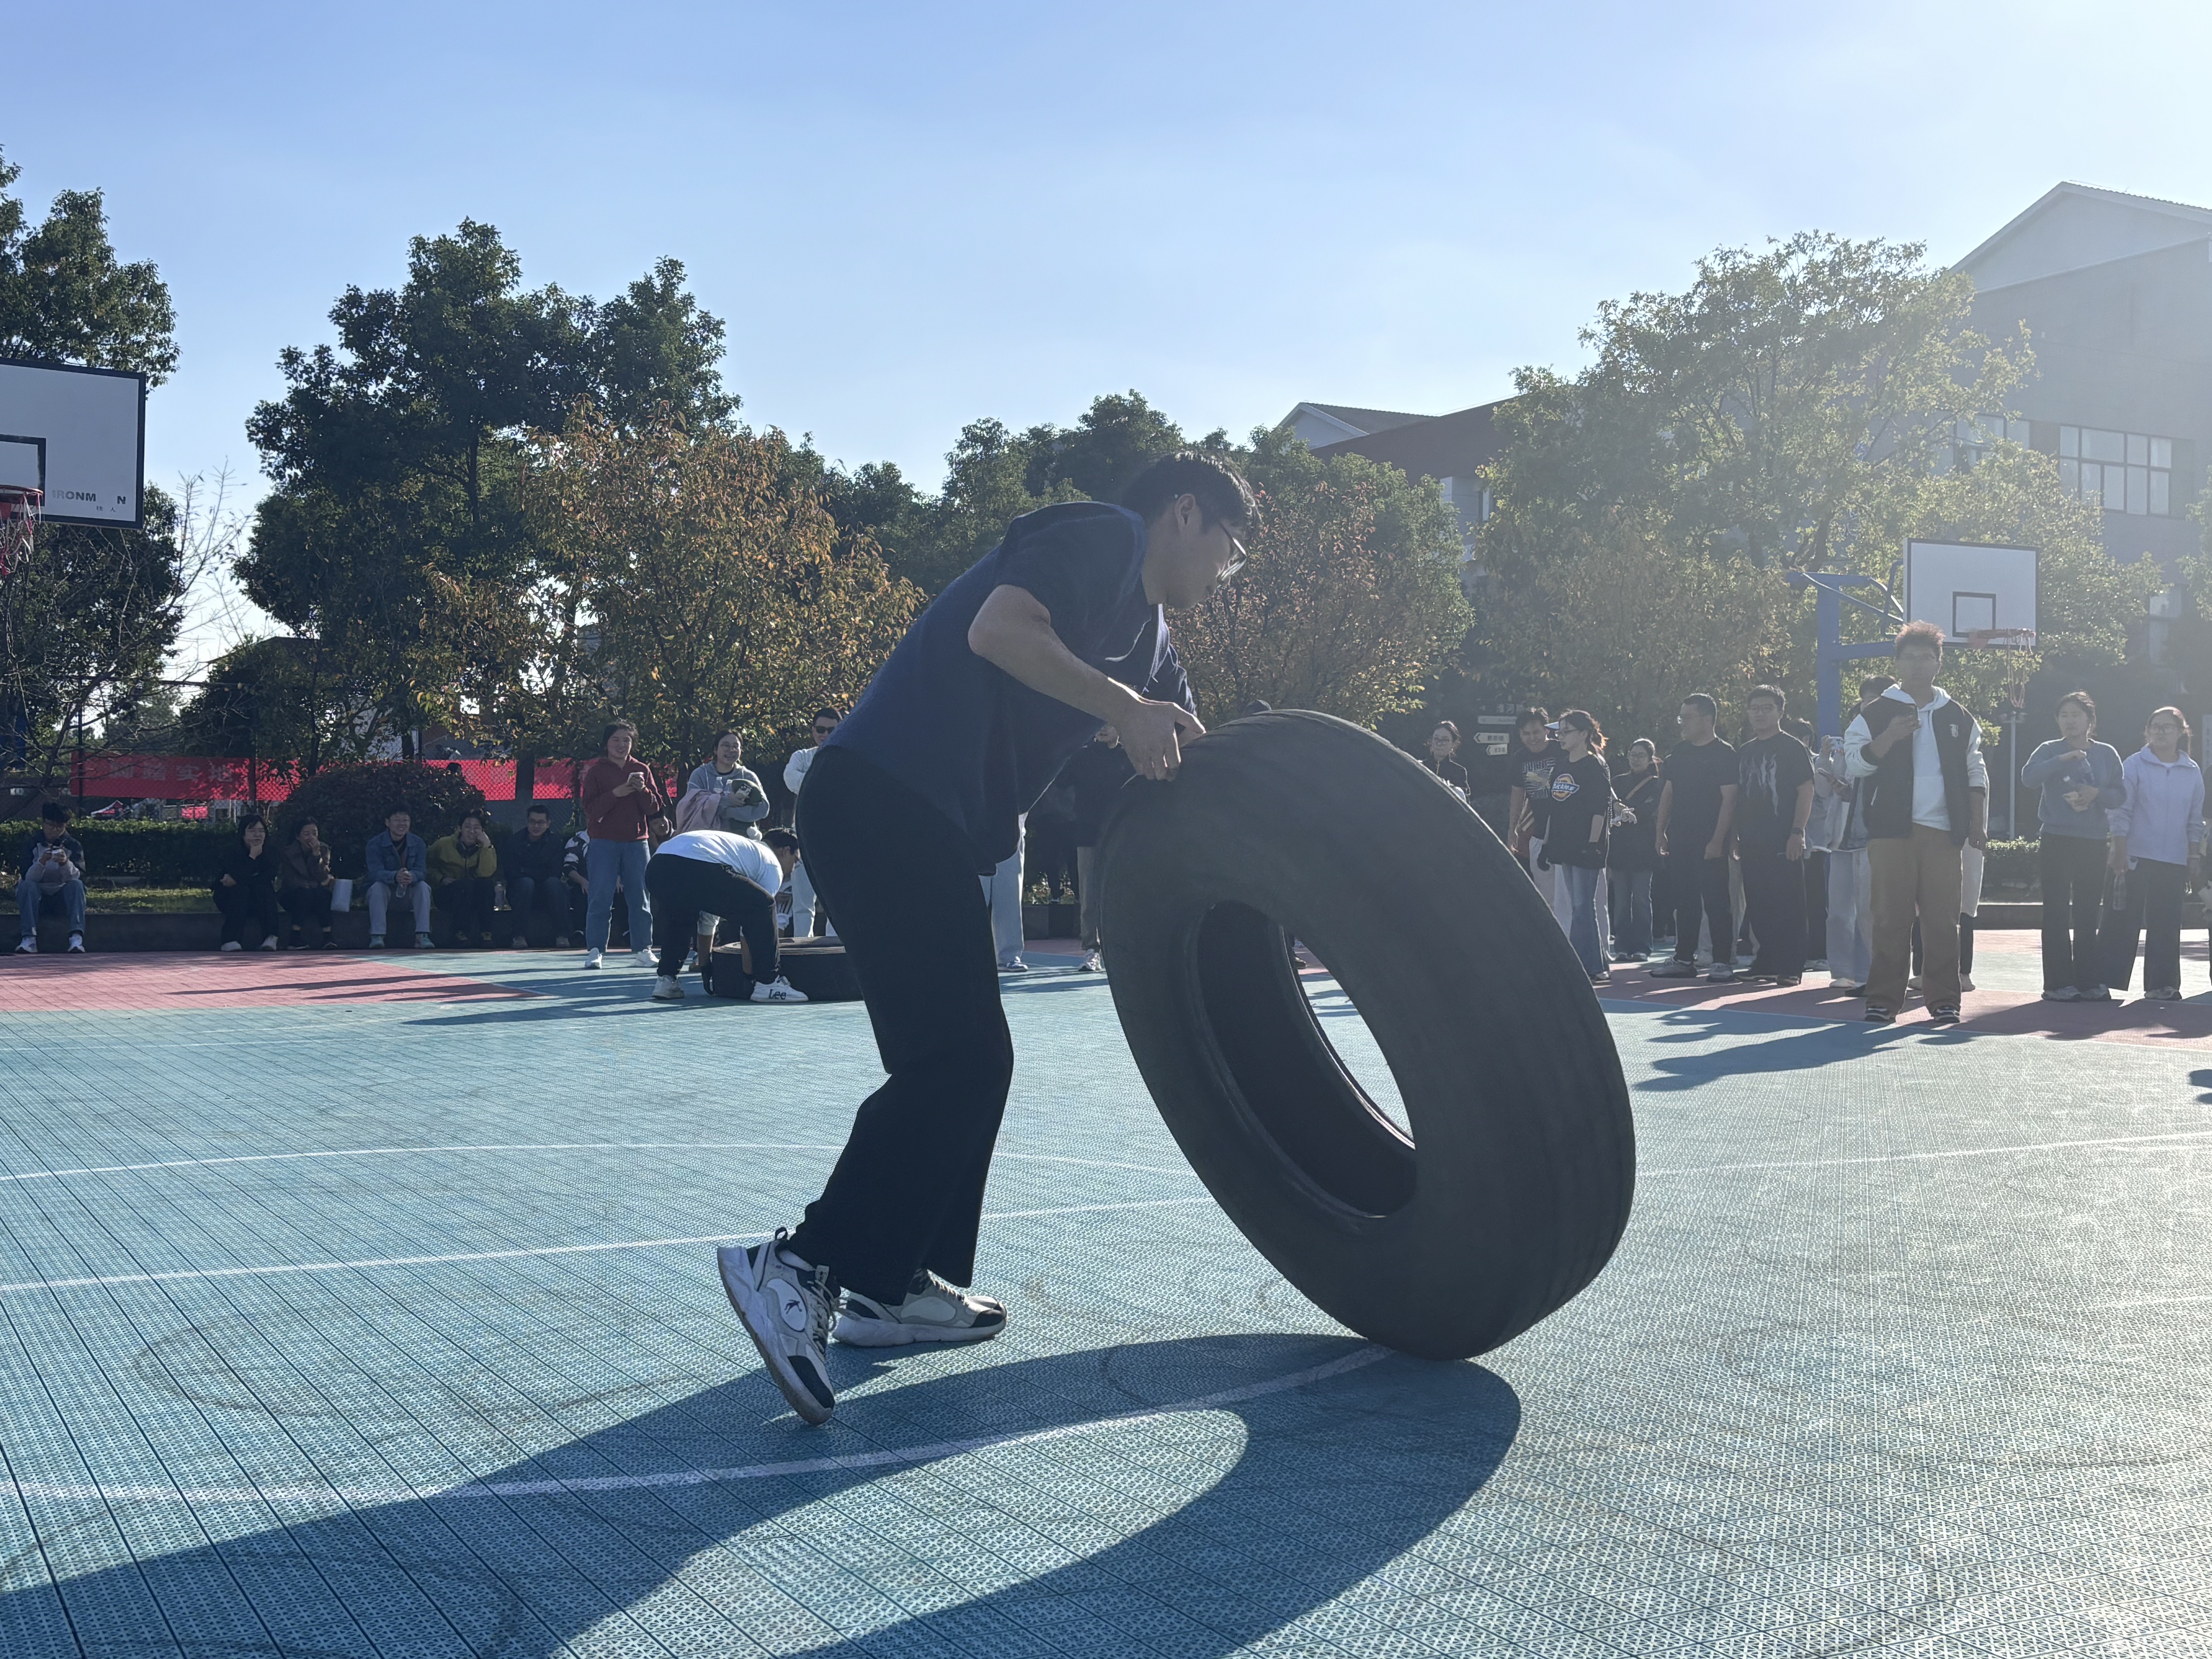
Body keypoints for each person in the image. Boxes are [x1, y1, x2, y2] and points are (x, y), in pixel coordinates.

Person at [716, 449, 1242, 1426]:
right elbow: (999, 629)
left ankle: (890, 1285)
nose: (1226, 576)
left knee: (967, 1060)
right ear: (1184, 515)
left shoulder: (1154, 643)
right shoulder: (1103, 537)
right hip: (879, 796)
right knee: (956, 1061)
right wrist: (1124, 712)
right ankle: (799, 1266)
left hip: (932, 827)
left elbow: (1187, 749)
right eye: (1229, 550)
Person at [1844, 621, 1989, 1027]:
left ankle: (1944, 1000)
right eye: (1910, 658)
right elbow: (1854, 763)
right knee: (1890, 918)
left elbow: (1975, 771)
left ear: (1939, 663)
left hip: (1944, 832)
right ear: (1897, 663)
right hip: (1891, 831)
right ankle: (1883, 1000)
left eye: (1927, 658)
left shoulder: (1957, 715)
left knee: (1944, 919)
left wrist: (1976, 822)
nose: (1919, 665)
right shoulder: (1874, 714)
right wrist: (1888, 737)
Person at [2020, 691, 2124, 1002]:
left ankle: (2089, 981)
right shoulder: (2049, 750)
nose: (2070, 721)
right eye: (2064, 715)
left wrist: (2096, 794)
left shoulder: (2106, 754)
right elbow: (2028, 778)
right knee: (2055, 910)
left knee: (2088, 911)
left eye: (2076, 715)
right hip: (2056, 838)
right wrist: (2062, 759)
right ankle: (2057, 983)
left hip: (2092, 841)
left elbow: (2120, 795)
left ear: (2090, 721)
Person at [2102, 706, 2203, 1002]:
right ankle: (2106, 980)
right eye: (2156, 726)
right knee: (2121, 920)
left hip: (2173, 860)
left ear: (2182, 732)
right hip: (2134, 857)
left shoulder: (2192, 771)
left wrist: (2193, 856)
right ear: (2147, 732)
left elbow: (2195, 819)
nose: (2161, 731)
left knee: (2167, 924)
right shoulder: (2134, 765)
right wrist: (2119, 849)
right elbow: (2121, 811)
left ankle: (2162, 984)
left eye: (2168, 727)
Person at [645, 826, 807, 1004]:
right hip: (695, 863)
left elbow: (708, 917)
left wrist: (705, 966)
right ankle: (769, 984)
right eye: (795, 860)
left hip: (657, 867)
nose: (793, 869)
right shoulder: (771, 863)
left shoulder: (741, 852)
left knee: (681, 917)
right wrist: (749, 975)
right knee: (765, 905)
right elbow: (755, 921)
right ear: (785, 851)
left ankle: (666, 982)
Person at [1650, 694, 1738, 982]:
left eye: (1687, 718)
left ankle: (1722, 961)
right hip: (1680, 839)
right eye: (1681, 718)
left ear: (1707, 719)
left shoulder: (1725, 754)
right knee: (1684, 901)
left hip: (1711, 840)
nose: (1682, 724)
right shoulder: (1680, 752)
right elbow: (1669, 794)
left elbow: (1730, 800)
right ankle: (1684, 959)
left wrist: (1717, 841)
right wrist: (1661, 831)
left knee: (1716, 902)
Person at [1815, 675, 1894, 992]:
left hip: (1874, 839)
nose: (1866, 709)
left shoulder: (1894, 743)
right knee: (1838, 912)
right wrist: (1825, 760)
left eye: (1873, 702)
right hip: (1841, 839)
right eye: (1863, 704)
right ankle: (1842, 971)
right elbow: (1823, 791)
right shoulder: (1846, 749)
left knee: (1869, 909)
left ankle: (1873, 971)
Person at [1732, 686, 1815, 986]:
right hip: (1752, 839)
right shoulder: (1745, 750)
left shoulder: (1793, 748)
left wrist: (1797, 832)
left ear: (1781, 712)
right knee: (1759, 902)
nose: (1760, 714)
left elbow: (1806, 790)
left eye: (1767, 708)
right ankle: (1766, 961)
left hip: (1784, 837)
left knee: (1790, 902)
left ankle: (1792, 966)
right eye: (1755, 708)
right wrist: (1735, 837)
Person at [1535, 710, 1614, 981]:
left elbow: (1599, 809)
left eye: (1566, 731)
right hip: (1563, 844)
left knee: (1583, 905)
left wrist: (1593, 844)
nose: (1560, 737)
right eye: (1560, 732)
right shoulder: (1561, 764)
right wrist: (1546, 844)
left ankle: (1589, 966)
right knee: (1576, 905)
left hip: (1586, 845)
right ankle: (1594, 961)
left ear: (1583, 734)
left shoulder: (1594, 765)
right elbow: (1553, 809)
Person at [579, 721, 661, 970]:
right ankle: (595, 950)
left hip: (637, 843)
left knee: (640, 898)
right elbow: (591, 809)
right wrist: (618, 792)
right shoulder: (596, 772)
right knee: (601, 896)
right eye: (616, 739)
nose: (621, 745)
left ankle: (644, 949)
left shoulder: (641, 769)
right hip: (603, 842)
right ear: (606, 743)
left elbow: (654, 808)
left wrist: (641, 790)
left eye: (627, 740)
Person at [1066, 726, 1132, 973]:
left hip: (1120, 836)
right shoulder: (1081, 756)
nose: (1103, 727)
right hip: (1087, 834)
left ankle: (1123, 951)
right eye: (1099, 722)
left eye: (1109, 722)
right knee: (1089, 896)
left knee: (1121, 894)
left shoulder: (1130, 758)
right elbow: (1059, 781)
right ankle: (1092, 950)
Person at [783, 708, 843, 939]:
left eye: (831, 730)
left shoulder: (846, 759)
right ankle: (801, 948)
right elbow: (790, 778)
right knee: (802, 903)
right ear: (813, 730)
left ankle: (833, 949)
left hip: (837, 840)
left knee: (834, 902)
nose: (825, 734)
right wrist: (821, 787)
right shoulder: (802, 757)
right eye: (820, 730)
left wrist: (812, 785)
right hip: (804, 839)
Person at [1607, 738, 1662, 962]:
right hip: (1619, 850)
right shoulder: (1617, 782)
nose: (1636, 759)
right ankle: (1621, 946)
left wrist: (1631, 812)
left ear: (1650, 759)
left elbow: (1651, 811)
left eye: (1641, 755)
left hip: (1644, 851)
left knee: (1641, 899)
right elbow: (1609, 805)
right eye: (1633, 754)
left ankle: (1642, 947)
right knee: (1620, 901)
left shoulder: (1657, 784)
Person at [15, 802, 87, 955]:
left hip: (62, 896)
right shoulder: (31, 844)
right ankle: (29, 938)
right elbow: (28, 877)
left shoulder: (73, 846)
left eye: (60, 826)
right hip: (37, 898)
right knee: (27, 886)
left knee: (77, 885)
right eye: (51, 825)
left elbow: (77, 877)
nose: (55, 830)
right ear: (43, 823)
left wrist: (65, 863)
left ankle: (76, 938)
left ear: (66, 826)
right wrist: (41, 862)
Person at [427, 811, 499, 947]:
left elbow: (486, 873)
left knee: (487, 885)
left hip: (472, 895)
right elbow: (426, 867)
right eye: (467, 827)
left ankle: (486, 933)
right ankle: (460, 933)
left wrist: (486, 847)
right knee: (464, 886)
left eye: (477, 828)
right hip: (448, 894)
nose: (472, 831)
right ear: (460, 828)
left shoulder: (487, 847)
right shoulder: (443, 844)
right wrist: (441, 879)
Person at [213, 814, 283, 952]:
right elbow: (228, 880)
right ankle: (230, 940)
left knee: (263, 888)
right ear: (243, 833)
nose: (258, 835)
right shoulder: (231, 851)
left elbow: (268, 876)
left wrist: (240, 878)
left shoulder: (272, 852)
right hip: (229, 897)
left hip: (259, 898)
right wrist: (252, 857)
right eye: (252, 831)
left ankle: (271, 937)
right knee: (241, 890)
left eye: (261, 831)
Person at [364, 807, 432, 949]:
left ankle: (422, 935)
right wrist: (395, 876)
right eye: (397, 820)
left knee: (423, 887)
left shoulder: (418, 843)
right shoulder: (375, 844)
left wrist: (411, 876)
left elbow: (422, 871)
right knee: (377, 887)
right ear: (388, 823)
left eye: (405, 820)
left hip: (409, 893)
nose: (402, 824)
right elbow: (375, 873)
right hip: (386, 894)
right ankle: (377, 935)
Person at [505, 804, 570, 948]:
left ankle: (562, 935)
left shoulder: (555, 843)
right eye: (532, 822)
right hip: (521, 892)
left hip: (547, 893)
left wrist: (527, 870)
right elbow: (512, 873)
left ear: (548, 824)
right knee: (526, 883)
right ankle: (518, 936)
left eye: (541, 822)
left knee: (554, 884)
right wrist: (536, 872)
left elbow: (555, 872)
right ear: (527, 822)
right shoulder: (514, 842)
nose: (536, 826)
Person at [1506, 708, 1560, 871]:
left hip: (1565, 829)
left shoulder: (1561, 751)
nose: (1532, 738)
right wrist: (1512, 829)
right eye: (1526, 734)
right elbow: (1517, 795)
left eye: (1536, 732)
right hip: (1538, 831)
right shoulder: (1519, 758)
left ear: (1547, 730)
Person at [278, 817, 336, 949]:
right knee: (306, 894)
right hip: (293, 894)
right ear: (298, 836)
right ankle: (295, 937)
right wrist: (314, 886)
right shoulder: (288, 853)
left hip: (316, 893)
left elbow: (322, 876)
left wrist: (316, 856)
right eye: (307, 834)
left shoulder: (324, 849)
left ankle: (328, 937)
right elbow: (291, 880)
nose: (311, 837)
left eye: (314, 833)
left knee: (323, 895)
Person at [1423, 720, 1470, 802]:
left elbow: (1465, 804)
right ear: (1431, 742)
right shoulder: (1421, 767)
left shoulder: (1459, 772)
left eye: (1445, 740)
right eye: (1436, 739)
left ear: (1453, 744)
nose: (1439, 743)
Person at [560, 824, 591, 940]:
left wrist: (618, 879)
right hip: (583, 884)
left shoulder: (614, 840)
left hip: (609, 885)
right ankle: (579, 932)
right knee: (581, 894)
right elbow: (568, 868)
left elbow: (619, 864)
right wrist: (583, 882)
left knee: (624, 891)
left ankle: (625, 933)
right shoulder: (577, 841)